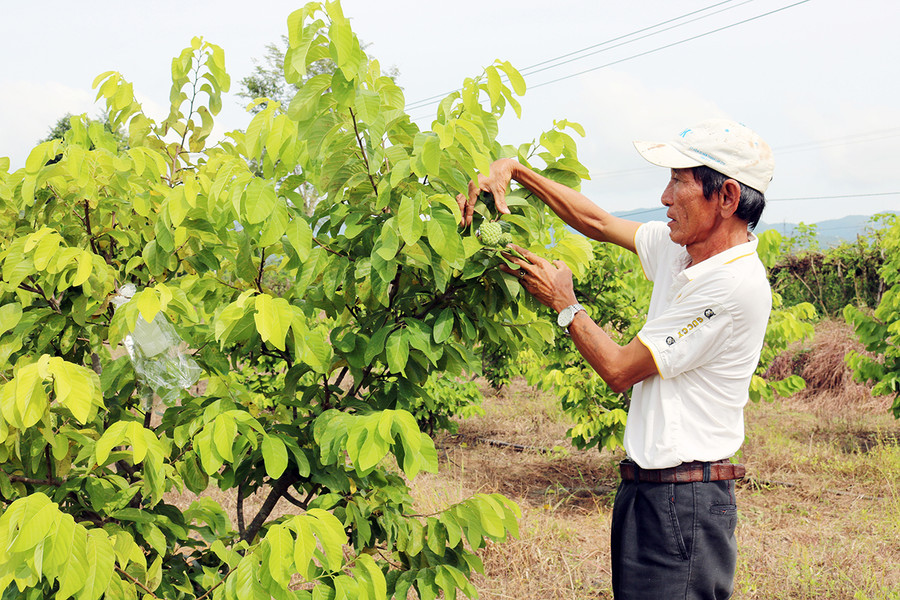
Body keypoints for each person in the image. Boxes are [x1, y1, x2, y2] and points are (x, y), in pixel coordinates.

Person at [458, 119, 774, 599]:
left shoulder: (731, 285)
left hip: (685, 499)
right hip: (650, 490)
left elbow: (621, 369)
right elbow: (599, 223)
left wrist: (566, 305)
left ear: (727, 197)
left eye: (678, 182)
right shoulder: (683, 250)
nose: (665, 197)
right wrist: (517, 172)